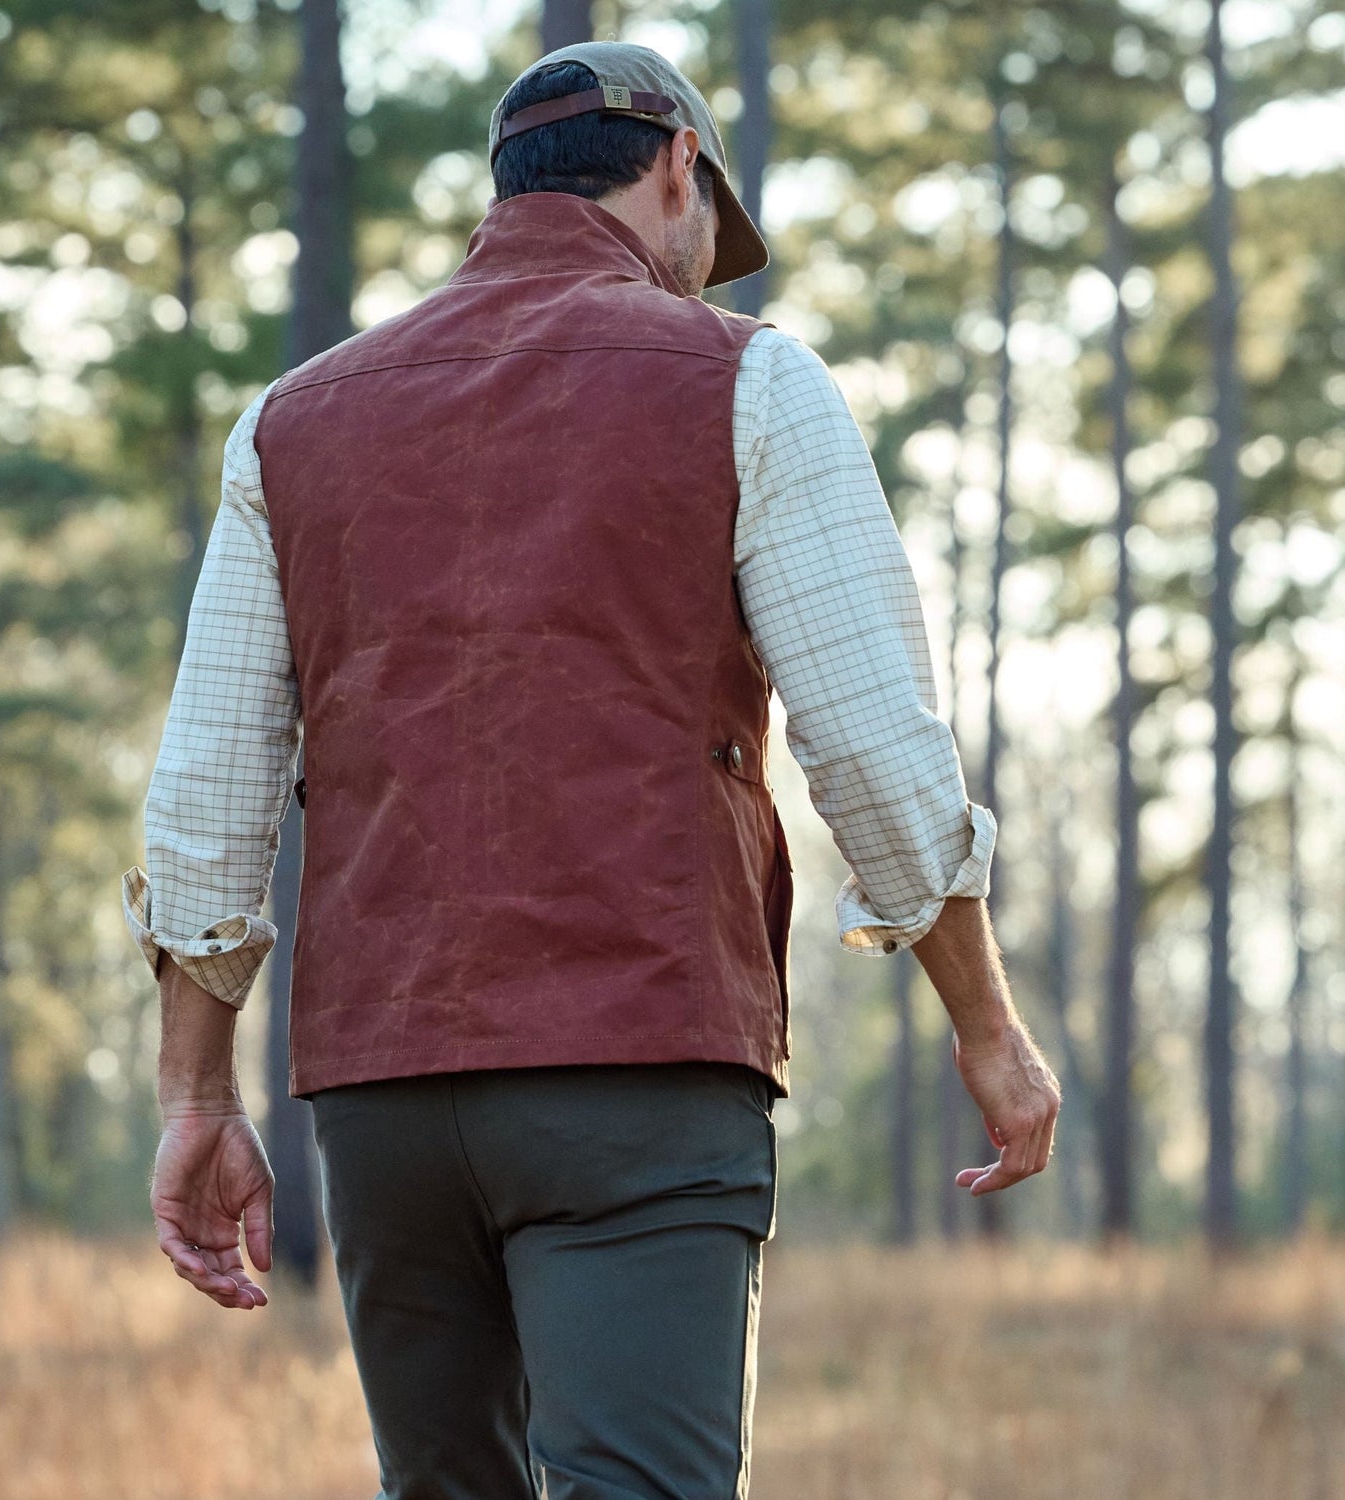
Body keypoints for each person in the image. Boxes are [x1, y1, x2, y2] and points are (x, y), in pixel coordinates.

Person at [122, 40, 1062, 1500]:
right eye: (708, 237)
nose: (705, 272)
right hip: (637, 1063)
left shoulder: (291, 421)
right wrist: (988, 1027)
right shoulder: (752, 382)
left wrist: (195, 1096)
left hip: (380, 1101)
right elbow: (875, 750)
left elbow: (206, 799)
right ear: (681, 167)